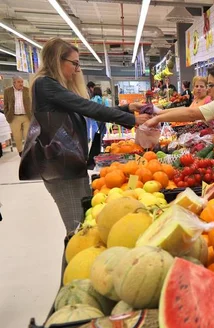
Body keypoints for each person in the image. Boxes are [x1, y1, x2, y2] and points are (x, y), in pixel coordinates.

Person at [20, 38, 151, 233]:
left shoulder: (54, 87)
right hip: (61, 167)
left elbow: (83, 110)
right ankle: (73, 263)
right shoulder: (45, 84)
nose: (76, 69)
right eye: (74, 63)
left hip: (68, 163)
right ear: (58, 60)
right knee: (78, 229)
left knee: (83, 220)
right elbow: (87, 107)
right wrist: (132, 120)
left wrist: (127, 108)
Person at [146, 65, 214, 133]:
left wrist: (157, 119)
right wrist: (159, 112)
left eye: (210, 85)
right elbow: (188, 110)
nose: (208, 90)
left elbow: (191, 113)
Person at [3, 76, 32, 155]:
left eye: (22, 82)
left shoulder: (27, 90)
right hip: (14, 117)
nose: (21, 83)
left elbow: (32, 102)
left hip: (27, 117)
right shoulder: (7, 91)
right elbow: (5, 105)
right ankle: (20, 151)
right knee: (17, 137)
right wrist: (7, 115)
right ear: (14, 83)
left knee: (27, 136)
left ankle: (27, 152)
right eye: (19, 82)